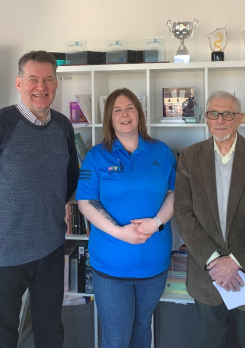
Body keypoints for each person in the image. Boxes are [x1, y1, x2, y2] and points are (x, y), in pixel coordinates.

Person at [0, 50, 79, 348]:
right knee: (2, 336)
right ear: (18, 82)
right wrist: (4, 222)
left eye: (48, 79)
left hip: (50, 249)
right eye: (33, 79)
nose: (41, 86)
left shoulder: (63, 126)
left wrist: (46, 212)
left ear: (56, 83)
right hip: (5, 253)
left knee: (50, 330)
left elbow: (70, 177)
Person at [174, 91, 245, 348]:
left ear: (238, 119)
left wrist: (235, 262)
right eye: (214, 113)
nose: (220, 119)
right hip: (207, 275)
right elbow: (183, 213)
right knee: (211, 342)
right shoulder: (190, 157)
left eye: (228, 114)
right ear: (206, 118)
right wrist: (215, 262)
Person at [76, 88, 176, 348]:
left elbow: (175, 193)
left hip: (154, 261)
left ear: (139, 114)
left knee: (143, 328)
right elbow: (85, 202)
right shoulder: (96, 156)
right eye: (117, 109)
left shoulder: (162, 151)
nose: (124, 114)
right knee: (117, 337)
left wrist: (156, 223)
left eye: (130, 107)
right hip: (111, 264)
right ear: (109, 117)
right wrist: (121, 233)